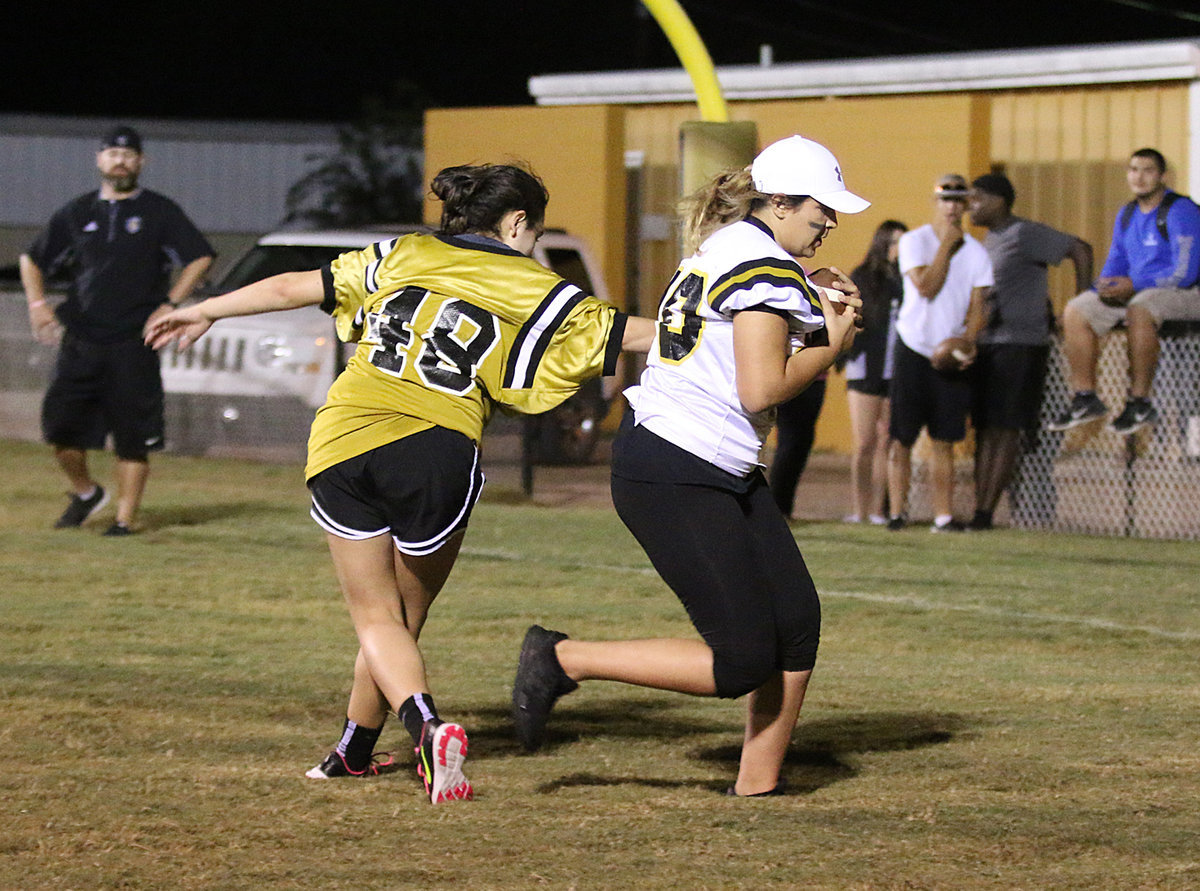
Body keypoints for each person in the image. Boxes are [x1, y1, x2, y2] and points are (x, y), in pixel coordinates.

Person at [146, 163, 656, 804]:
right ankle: (404, 736)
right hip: (436, 448)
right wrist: (749, 329)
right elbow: (635, 333)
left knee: (375, 618)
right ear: (519, 222)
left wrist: (203, 311)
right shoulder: (534, 283)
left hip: (345, 436)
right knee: (402, 616)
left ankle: (390, 739)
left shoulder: (401, 253)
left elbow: (286, 289)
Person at [510, 135, 867, 797]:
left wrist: (811, 307)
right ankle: (563, 657)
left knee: (795, 616)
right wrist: (832, 339)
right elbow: (762, 389)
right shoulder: (761, 264)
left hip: (702, 456)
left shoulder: (728, 246)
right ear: (782, 201)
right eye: (822, 207)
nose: (830, 222)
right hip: (679, 462)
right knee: (739, 659)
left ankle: (758, 784)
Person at [20, 125, 215, 535]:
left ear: (141, 162)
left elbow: (199, 257)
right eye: (112, 152)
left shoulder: (160, 211)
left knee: (132, 435)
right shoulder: (77, 212)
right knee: (60, 428)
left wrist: (171, 303)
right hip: (81, 339)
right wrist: (38, 306)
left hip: (133, 340)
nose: (120, 159)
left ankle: (124, 520)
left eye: (129, 154)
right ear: (99, 159)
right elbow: (31, 259)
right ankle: (87, 492)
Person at [967, 173, 1093, 530]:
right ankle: (980, 508)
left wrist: (1080, 303)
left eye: (978, 199)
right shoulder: (989, 240)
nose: (970, 206)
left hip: (1019, 344)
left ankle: (985, 513)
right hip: (989, 344)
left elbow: (1079, 249)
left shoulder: (1023, 233)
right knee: (987, 428)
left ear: (999, 201)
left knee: (1006, 428)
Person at [1048, 148, 1200, 434]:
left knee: (1141, 306)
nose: (1138, 177)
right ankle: (1085, 398)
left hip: (1187, 292)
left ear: (1162, 176)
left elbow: (1184, 273)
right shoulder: (1127, 213)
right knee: (1077, 309)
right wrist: (1102, 288)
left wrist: (1134, 284)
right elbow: (1115, 263)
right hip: (1141, 290)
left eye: (1147, 170)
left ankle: (1139, 401)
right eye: (1133, 169)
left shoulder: (1181, 210)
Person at [887, 174, 992, 532]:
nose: (952, 207)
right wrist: (946, 246)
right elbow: (926, 287)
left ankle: (943, 515)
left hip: (949, 354)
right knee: (902, 436)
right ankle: (897, 512)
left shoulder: (977, 253)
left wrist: (969, 341)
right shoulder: (915, 241)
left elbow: (979, 305)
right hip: (913, 346)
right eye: (946, 199)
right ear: (936, 202)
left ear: (965, 206)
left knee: (945, 439)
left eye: (959, 201)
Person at [842, 219, 908, 524]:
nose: (900, 249)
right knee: (865, 442)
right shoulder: (864, 276)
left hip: (895, 369)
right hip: (865, 366)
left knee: (888, 441)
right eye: (896, 243)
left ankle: (881, 510)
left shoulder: (908, 278)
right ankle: (861, 508)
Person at [766, 371, 826, 520]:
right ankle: (777, 509)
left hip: (816, 375)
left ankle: (784, 508)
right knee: (790, 441)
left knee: (802, 442)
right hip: (788, 373)